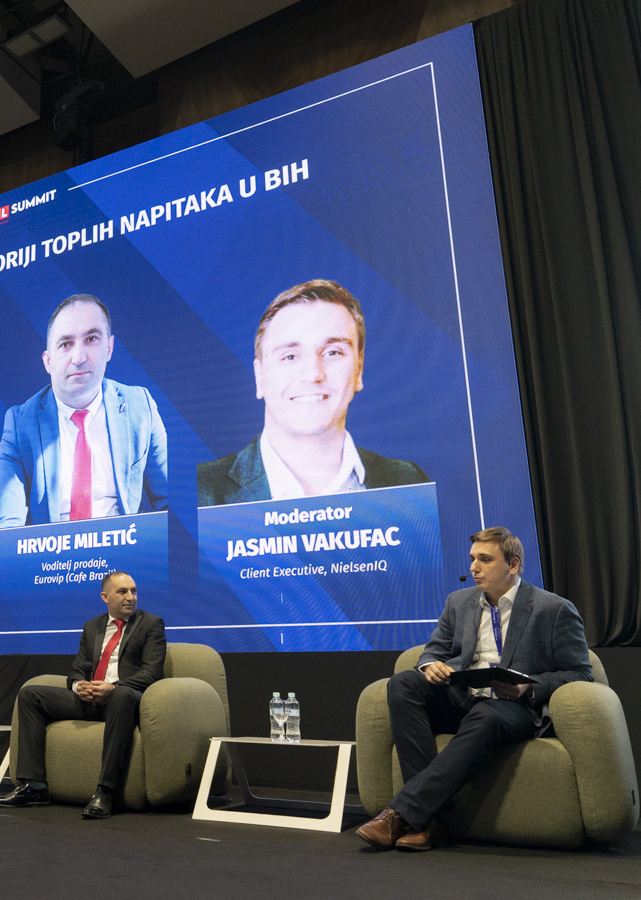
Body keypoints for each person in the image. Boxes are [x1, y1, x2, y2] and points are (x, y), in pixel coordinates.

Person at [355, 527, 592, 851]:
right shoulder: (459, 602)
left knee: (487, 715)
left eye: (485, 559)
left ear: (513, 564)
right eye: (472, 559)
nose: (474, 567)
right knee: (403, 683)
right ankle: (429, 819)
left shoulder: (554, 609)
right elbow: (433, 651)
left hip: (513, 708)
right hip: (462, 697)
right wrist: (430, 665)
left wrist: (528, 688)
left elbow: (580, 673)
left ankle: (400, 815)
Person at [197, 279, 428, 506]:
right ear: (259, 376)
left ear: (359, 369)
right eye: (290, 356)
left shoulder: (408, 482)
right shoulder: (201, 491)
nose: (313, 374)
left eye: (332, 352)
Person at [0, 571, 165, 818]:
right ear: (105, 597)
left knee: (122, 695)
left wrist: (113, 687)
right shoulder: (92, 627)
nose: (130, 597)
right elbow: (77, 669)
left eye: (133, 591)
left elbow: (152, 672)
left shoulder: (151, 624)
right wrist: (78, 685)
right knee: (30, 695)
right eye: (122, 592)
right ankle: (34, 787)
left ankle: (105, 792)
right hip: (91, 699)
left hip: (124, 700)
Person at [0, 294, 168, 528]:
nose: (79, 358)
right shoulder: (19, 424)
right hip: (51, 550)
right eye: (65, 344)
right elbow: (7, 529)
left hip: (125, 548)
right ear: (48, 361)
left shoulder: (140, 407)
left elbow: (172, 502)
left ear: (109, 348)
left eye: (91, 339)